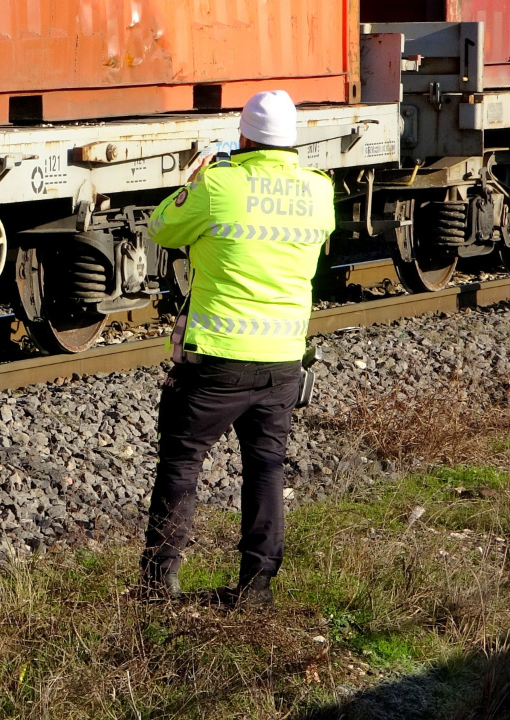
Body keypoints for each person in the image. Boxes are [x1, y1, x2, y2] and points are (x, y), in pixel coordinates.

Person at [138, 90, 335, 605]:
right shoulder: (318, 191)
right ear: (292, 141)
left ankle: (160, 584)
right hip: (283, 363)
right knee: (267, 466)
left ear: (243, 136)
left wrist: (198, 177)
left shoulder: (218, 184)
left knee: (182, 463)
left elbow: (160, 227)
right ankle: (256, 588)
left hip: (217, 361)